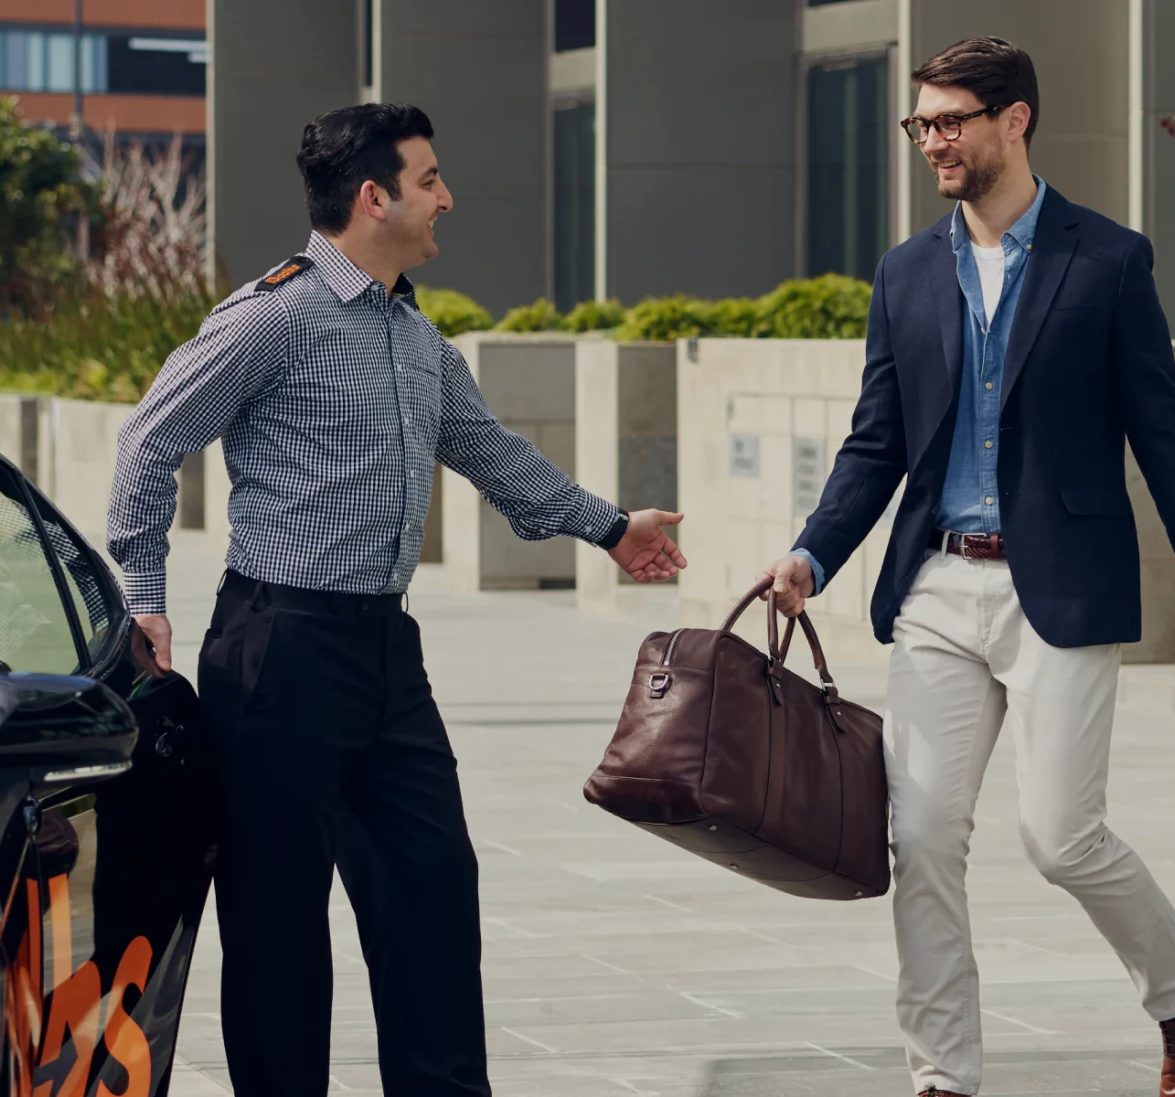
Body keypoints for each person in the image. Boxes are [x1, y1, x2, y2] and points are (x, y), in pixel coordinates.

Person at [105, 103, 685, 1097]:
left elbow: (489, 451)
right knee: (279, 930)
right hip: (275, 650)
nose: (444, 197)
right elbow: (148, 443)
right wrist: (143, 593)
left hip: (384, 654)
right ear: (372, 198)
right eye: (427, 180)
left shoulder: (412, 331)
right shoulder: (270, 316)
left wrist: (609, 524)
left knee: (431, 894)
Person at [760, 36, 1175, 1097]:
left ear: (1012, 120)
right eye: (919, 123)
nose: (931, 139)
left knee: (1061, 836)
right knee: (923, 837)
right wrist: (810, 554)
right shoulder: (903, 272)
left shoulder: (1107, 260)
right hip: (938, 584)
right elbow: (875, 441)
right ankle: (943, 1073)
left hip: (1059, 587)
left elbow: (1162, 437)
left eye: (949, 120)